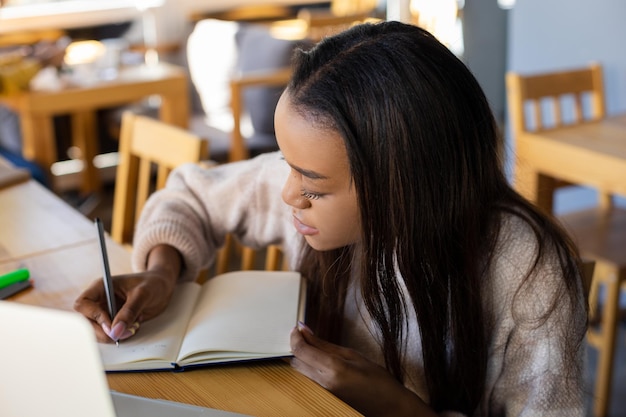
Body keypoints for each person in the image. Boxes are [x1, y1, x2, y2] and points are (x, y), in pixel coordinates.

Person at [74, 21, 587, 416]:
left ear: (402, 186)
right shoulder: (312, 173)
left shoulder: (526, 273)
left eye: (313, 186)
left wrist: (399, 407)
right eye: (288, 166)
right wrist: (163, 271)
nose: (287, 193)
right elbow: (191, 193)